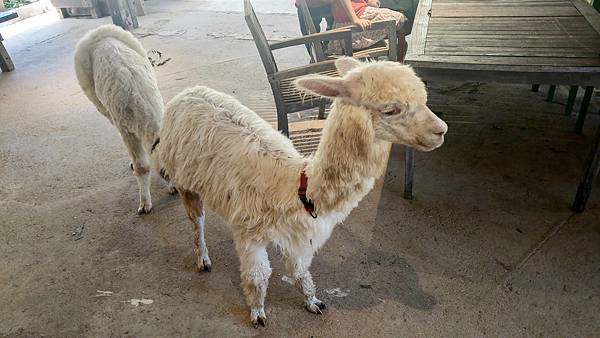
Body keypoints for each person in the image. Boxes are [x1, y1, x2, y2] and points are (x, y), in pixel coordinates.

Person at [328, 0, 407, 60]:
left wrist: (369, 1)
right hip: (352, 19)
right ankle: (398, 64)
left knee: (399, 22)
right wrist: (355, 19)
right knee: (399, 18)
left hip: (351, 19)